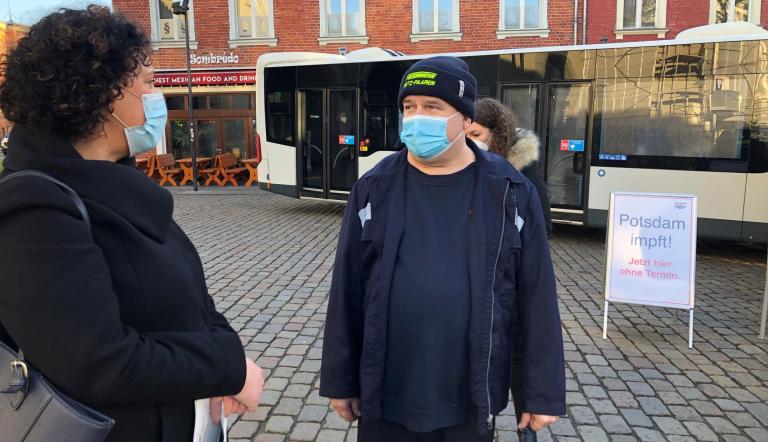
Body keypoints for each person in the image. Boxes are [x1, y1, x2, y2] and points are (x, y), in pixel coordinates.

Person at [0, 7, 263, 441]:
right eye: (150, 82)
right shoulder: (33, 208)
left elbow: (197, 302)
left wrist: (224, 359)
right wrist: (228, 368)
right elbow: (97, 360)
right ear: (101, 94)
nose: (155, 96)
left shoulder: (122, 183)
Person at [320, 56, 566, 442]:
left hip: (468, 398)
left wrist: (541, 393)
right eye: (409, 107)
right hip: (386, 396)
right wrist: (339, 378)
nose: (417, 118)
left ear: (466, 119)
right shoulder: (373, 188)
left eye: (433, 107)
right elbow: (347, 288)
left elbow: (536, 296)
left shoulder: (510, 192)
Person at [466, 98, 552, 237]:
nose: (469, 141)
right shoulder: (469, 162)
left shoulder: (523, 167)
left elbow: (542, 226)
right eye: (465, 136)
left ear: (496, 133)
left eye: (476, 134)